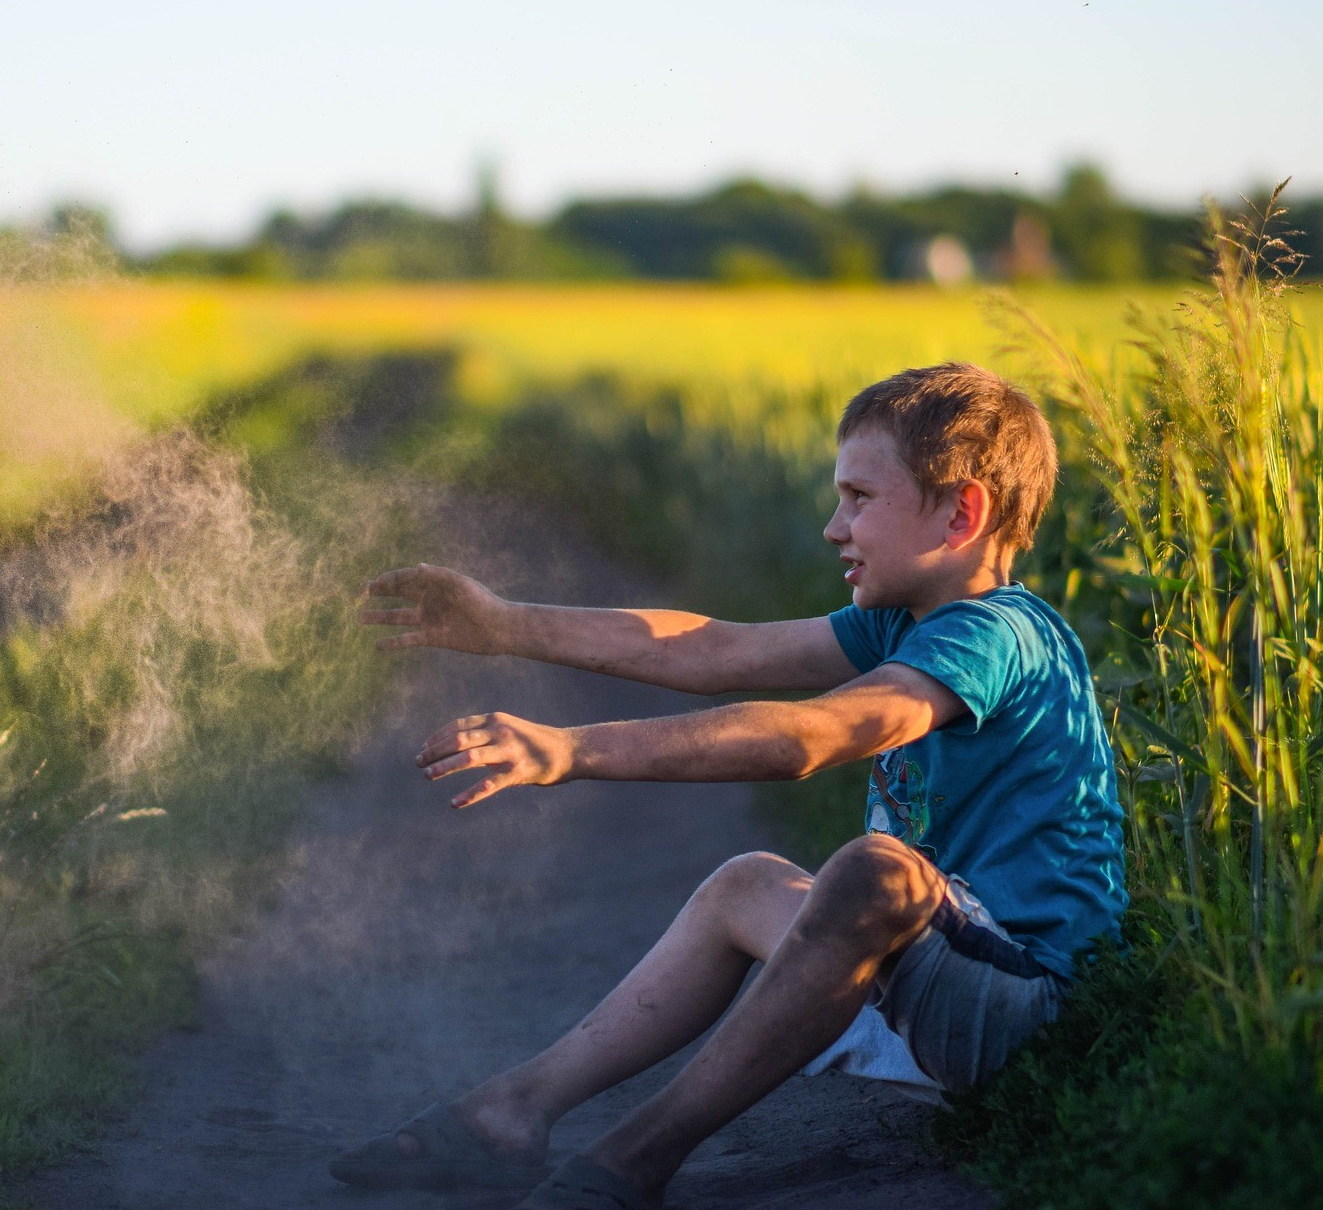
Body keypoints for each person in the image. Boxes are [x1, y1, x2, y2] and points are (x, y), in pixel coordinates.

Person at [335, 363, 1126, 1210]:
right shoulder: (904, 620)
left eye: (860, 497)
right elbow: (710, 650)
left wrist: (571, 747)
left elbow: (813, 737)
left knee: (876, 870)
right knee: (744, 885)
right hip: (946, 983)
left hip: (1023, 1005)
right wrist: (501, 624)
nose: (834, 526)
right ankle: (508, 1115)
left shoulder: (998, 633)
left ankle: (632, 1160)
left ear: (961, 512)